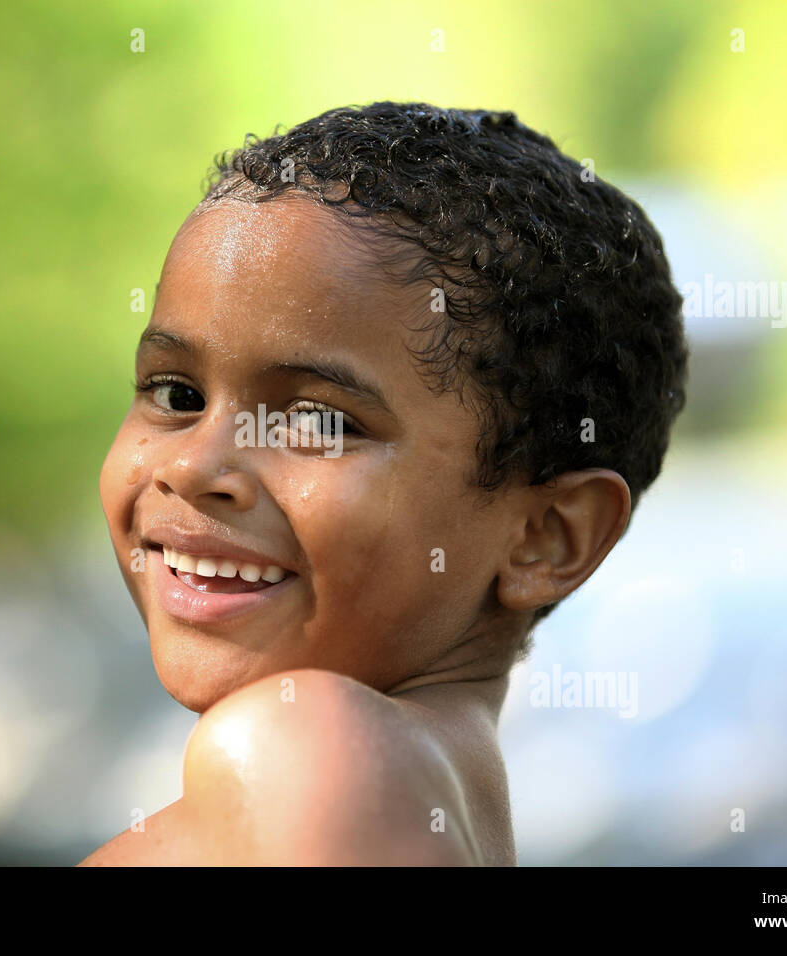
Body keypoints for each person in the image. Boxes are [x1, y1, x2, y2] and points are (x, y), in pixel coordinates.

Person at [84, 102, 688, 865]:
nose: (193, 468)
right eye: (177, 395)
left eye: (317, 422)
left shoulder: (297, 750)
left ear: (547, 535)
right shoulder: (424, 797)